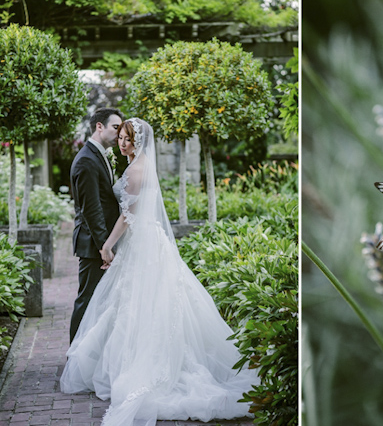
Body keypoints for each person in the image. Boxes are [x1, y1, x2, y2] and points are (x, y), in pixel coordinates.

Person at [60, 118, 259, 425]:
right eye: (121, 137)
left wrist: (107, 245)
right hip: (141, 243)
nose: (122, 143)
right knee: (127, 303)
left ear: (138, 142)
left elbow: (129, 216)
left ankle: (146, 367)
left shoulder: (137, 169)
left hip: (142, 244)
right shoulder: (135, 165)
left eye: (127, 139)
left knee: (141, 302)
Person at [69, 107, 124, 343]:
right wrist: (105, 247)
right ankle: (75, 355)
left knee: (99, 300)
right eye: (115, 127)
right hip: (94, 245)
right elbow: (91, 209)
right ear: (99, 126)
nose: (119, 133)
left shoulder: (99, 155)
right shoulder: (87, 161)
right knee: (87, 300)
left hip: (101, 243)